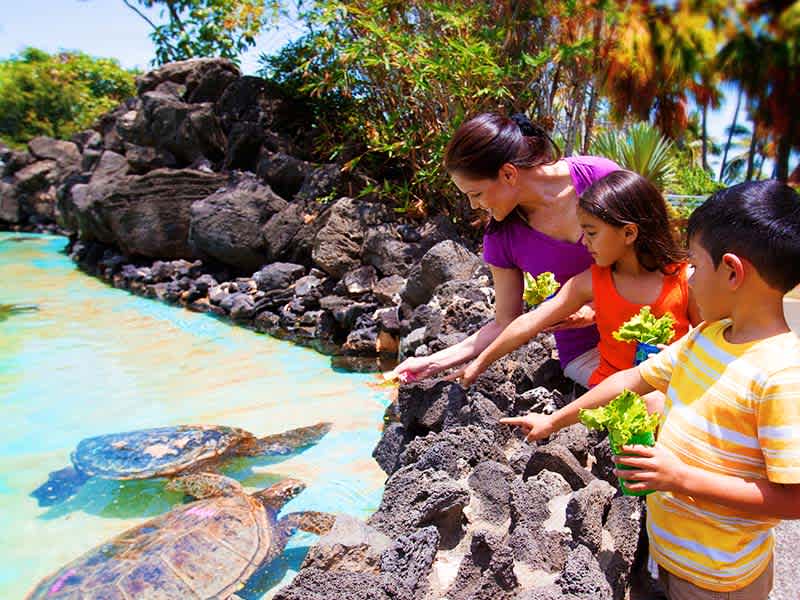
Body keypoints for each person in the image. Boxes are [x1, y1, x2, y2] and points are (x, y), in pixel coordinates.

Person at [501, 180, 800, 599]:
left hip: (720, 580)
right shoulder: (707, 337)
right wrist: (552, 421)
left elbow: (794, 500)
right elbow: (631, 378)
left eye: (694, 264)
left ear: (732, 271)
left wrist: (680, 477)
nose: (688, 278)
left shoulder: (782, 375)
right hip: (673, 556)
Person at [391, 112, 620, 385]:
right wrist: (431, 362)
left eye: (476, 194)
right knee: (650, 401)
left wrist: (595, 307)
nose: (475, 206)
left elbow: (650, 256)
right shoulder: (500, 237)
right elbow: (504, 322)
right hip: (588, 352)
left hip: (649, 327)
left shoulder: (599, 176)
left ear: (508, 173)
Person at [455, 169, 701, 388]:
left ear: (629, 232)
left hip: (671, 384)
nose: (586, 243)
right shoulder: (591, 281)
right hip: (611, 387)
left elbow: (708, 341)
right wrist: (480, 362)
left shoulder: (685, 280)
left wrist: (681, 357)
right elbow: (531, 321)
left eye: (592, 233)